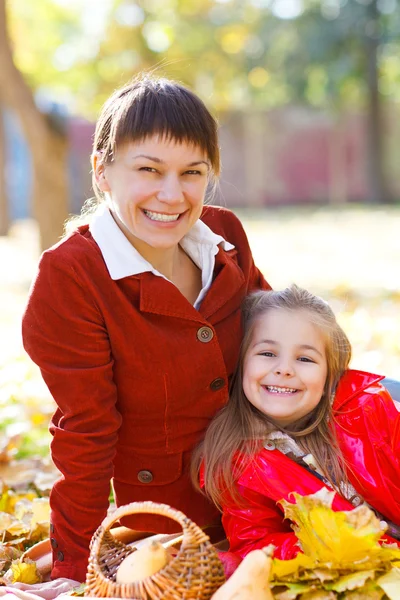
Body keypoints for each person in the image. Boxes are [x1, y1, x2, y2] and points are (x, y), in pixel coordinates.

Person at [22, 74, 271, 582]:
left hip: (269, 484)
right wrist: (75, 569)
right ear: (102, 172)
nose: (173, 194)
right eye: (149, 170)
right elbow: (86, 431)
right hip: (171, 529)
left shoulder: (223, 235)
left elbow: (278, 335)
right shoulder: (74, 275)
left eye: (192, 172)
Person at [194, 285, 400, 568]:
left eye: (304, 359)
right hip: (358, 568)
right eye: (267, 353)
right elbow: (255, 543)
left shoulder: (368, 409)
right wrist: (321, 542)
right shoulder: (235, 460)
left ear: (330, 372)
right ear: (240, 362)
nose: (284, 369)